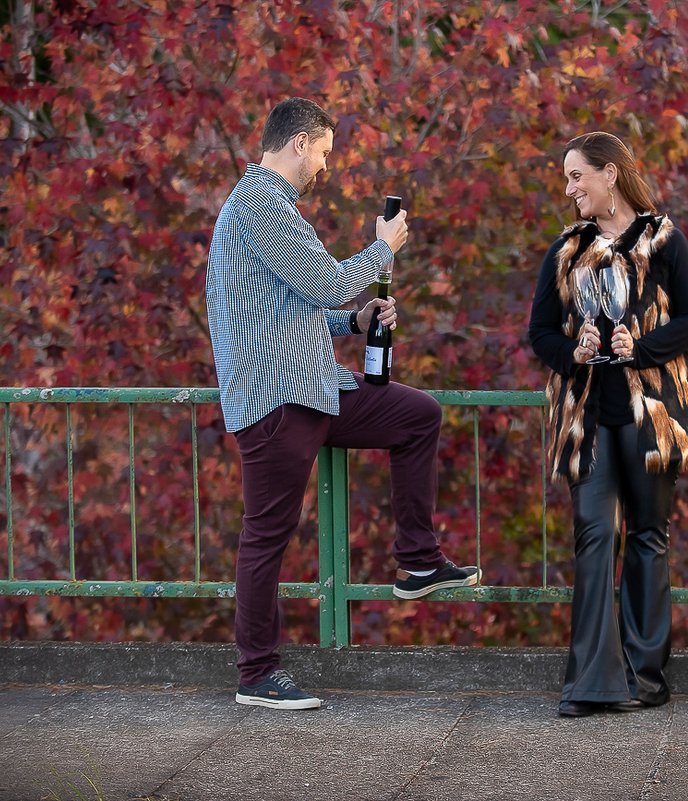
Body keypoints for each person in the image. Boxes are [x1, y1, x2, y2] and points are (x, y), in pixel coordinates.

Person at [206, 97, 478, 711]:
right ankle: (257, 674)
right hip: (277, 399)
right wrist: (383, 248)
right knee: (267, 535)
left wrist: (354, 321)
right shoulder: (261, 206)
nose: (326, 166)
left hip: (315, 389)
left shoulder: (269, 208)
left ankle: (417, 561)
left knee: (417, 416)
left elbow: (293, 308)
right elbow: (326, 279)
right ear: (299, 142)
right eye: (325, 151)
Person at [529, 132, 688, 718]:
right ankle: (589, 681)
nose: (569, 188)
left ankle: (643, 679)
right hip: (587, 416)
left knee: (648, 537)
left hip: (654, 414)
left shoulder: (665, 241)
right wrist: (572, 354)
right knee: (594, 536)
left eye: (577, 175)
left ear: (610, 174)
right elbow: (540, 334)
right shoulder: (565, 251)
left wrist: (643, 347)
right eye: (567, 177)